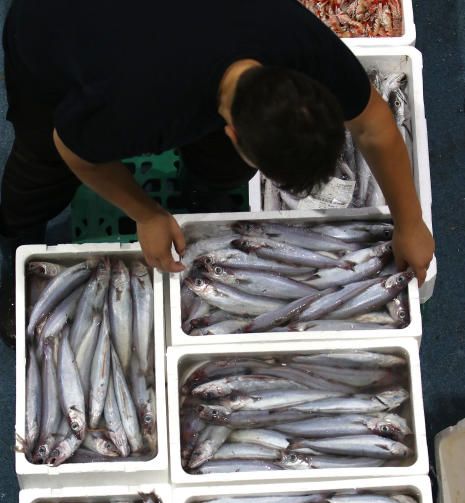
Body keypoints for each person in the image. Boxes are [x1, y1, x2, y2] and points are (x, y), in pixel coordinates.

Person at [0, 0, 434, 347]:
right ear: (231, 131)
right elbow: (73, 150)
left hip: (165, 36)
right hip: (51, 27)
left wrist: (410, 222)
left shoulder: (300, 43)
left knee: (219, 169)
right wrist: (146, 214)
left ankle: (203, 184)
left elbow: (373, 126)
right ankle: (17, 251)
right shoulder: (135, 106)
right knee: (40, 166)